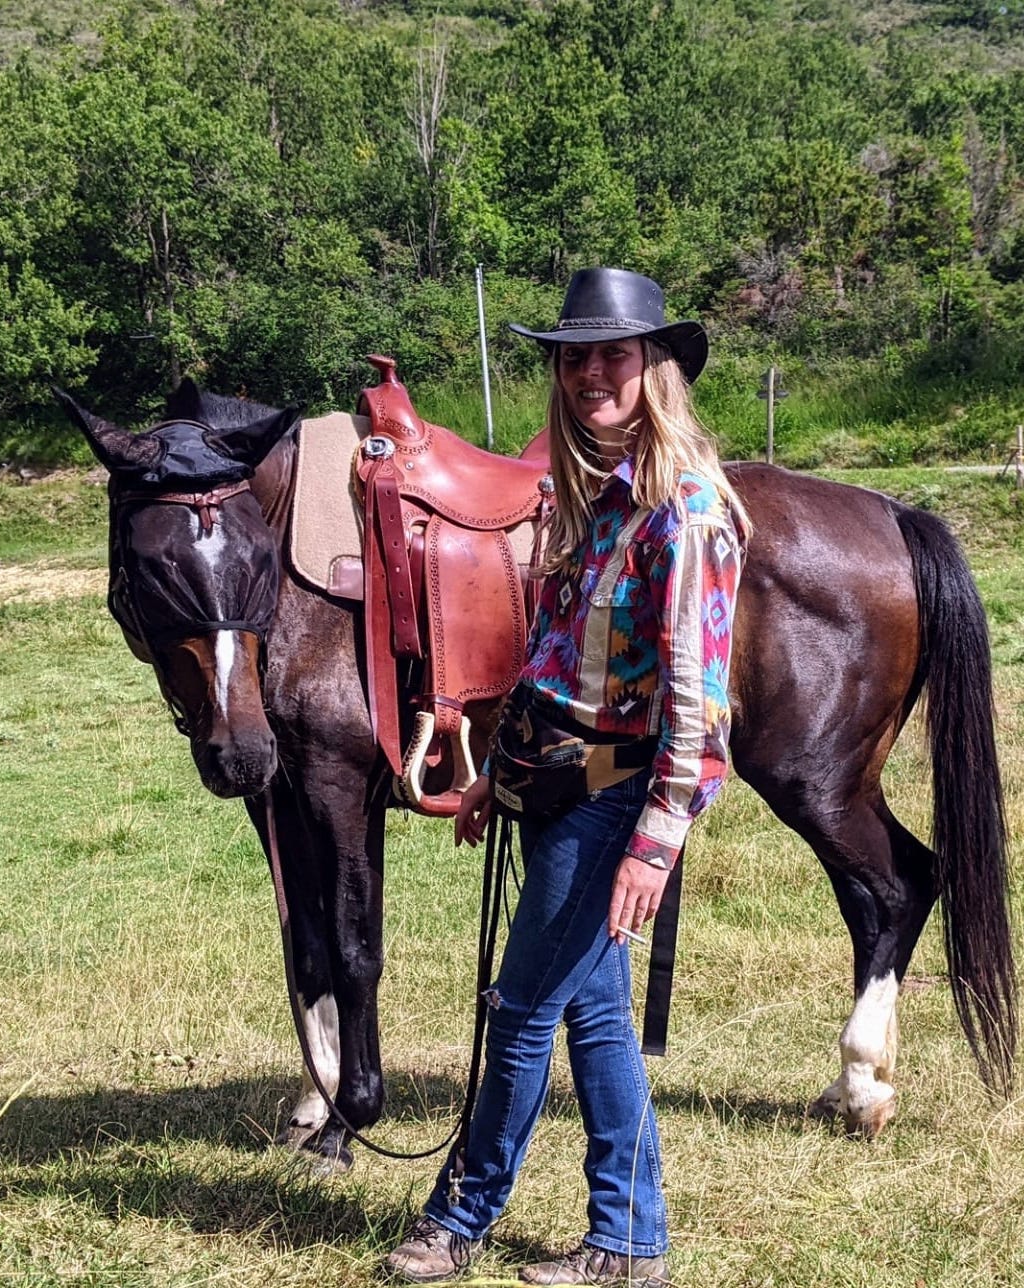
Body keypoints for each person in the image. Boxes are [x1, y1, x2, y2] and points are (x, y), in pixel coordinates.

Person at [382, 268, 748, 1286]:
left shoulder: (687, 514)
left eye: (613, 356)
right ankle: (630, 1238)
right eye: (574, 356)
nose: (591, 374)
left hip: (613, 798)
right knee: (592, 1015)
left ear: (653, 369)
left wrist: (654, 844)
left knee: (519, 1005)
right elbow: (547, 657)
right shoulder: (591, 500)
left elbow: (696, 699)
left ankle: (458, 1216)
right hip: (552, 784)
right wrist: (496, 777)